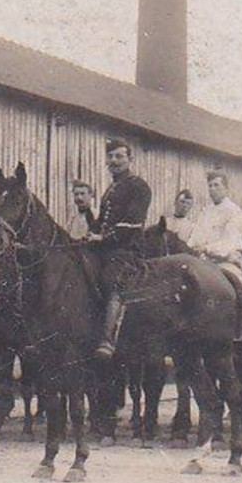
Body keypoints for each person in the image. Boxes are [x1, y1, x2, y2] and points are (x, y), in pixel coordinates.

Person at [89, 138, 153, 359]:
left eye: (119, 156)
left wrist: (102, 238)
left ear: (130, 159)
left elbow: (131, 224)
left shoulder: (139, 186)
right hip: (106, 248)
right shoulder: (111, 189)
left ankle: (108, 339)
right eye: (110, 156)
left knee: (112, 280)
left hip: (126, 250)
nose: (114, 161)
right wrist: (90, 234)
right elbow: (101, 222)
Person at [187, 169, 242, 282]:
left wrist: (206, 248)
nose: (212, 189)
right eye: (210, 186)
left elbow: (230, 242)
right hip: (203, 261)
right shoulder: (205, 212)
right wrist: (190, 248)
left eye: (216, 185)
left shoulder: (234, 211)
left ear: (226, 188)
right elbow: (195, 237)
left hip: (226, 263)